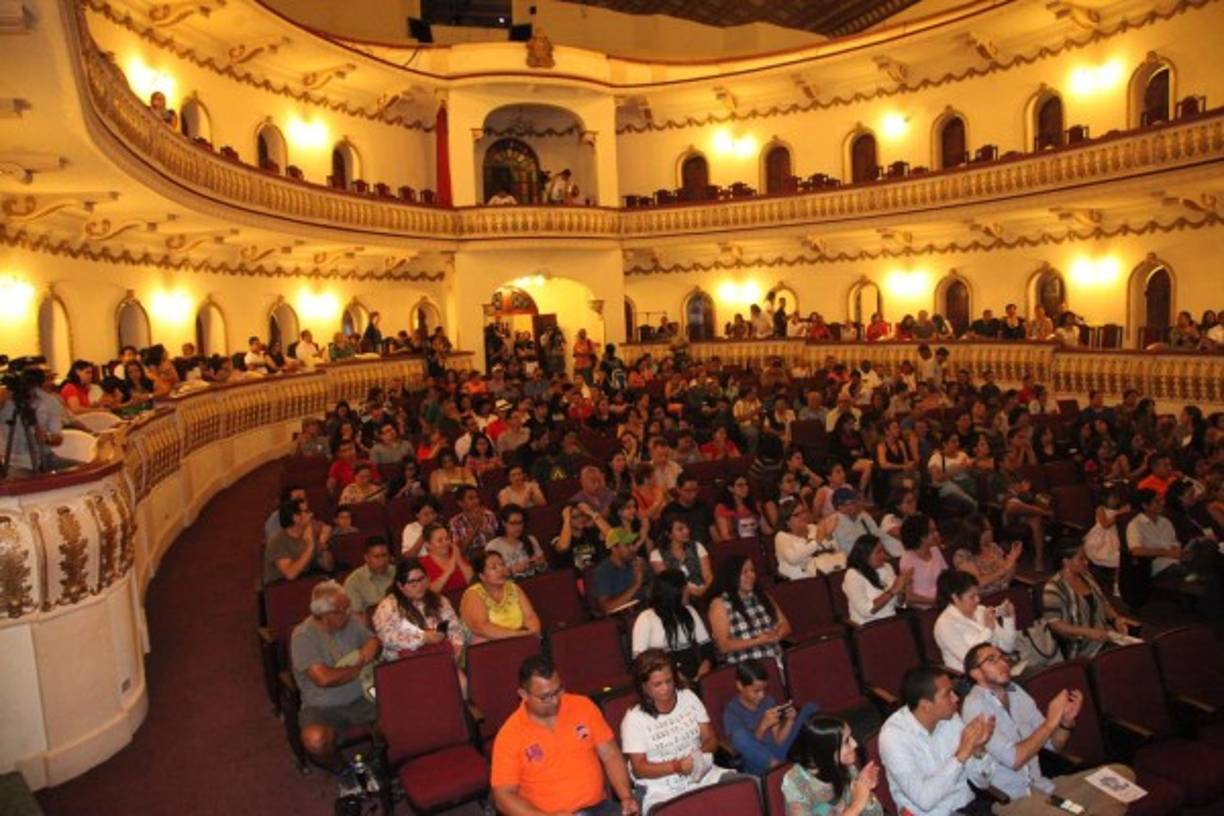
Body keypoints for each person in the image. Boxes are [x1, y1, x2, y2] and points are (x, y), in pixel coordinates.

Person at [961, 642, 1135, 815]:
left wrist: (1065, 722)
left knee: (1120, 774)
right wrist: (1051, 722)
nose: (1003, 664)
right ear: (976, 673)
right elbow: (1015, 760)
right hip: (1013, 800)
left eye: (1002, 658)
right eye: (992, 660)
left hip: (1045, 788)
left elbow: (1053, 746)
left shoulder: (1016, 692)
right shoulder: (975, 706)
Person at [491, 655, 639, 816]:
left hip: (598, 808)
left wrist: (625, 796)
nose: (555, 701)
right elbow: (503, 796)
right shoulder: (509, 735)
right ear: (523, 694)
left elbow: (610, 754)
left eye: (558, 691)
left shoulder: (583, 706)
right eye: (545, 697)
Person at [620, 650, 734, 814]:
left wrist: (696, 756)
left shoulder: (688, 697)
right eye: (657, 684)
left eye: (669, 681)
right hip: (661, 789)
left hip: (703, 775)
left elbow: (711, 739)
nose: (666, 688)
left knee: (748, 786)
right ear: (644, 687)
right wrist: (676, 767)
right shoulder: (634, 718)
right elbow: (640, 768)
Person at [878, 666, 996, 816]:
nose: (956, 698)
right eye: (947, 694)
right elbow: (925, 800)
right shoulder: (893, 738)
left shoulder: (951, 718)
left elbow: (983, 783)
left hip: (969, 806)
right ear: (926, 705)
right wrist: (960, 756)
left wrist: (978, 750)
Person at [290, 581, 380, 767]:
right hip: (325, 707)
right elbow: (324, 679)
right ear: (324, 615)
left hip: (363, 695)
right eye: (342, 610)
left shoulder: (348, 620)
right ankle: (343, 771)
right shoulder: (303, 636)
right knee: (315, 740)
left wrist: (367, 650)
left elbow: (372, 640)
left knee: (402, 712)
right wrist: (359, 666)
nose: (349, 612)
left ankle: (379, 763)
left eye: (348, 607)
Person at [1041, 542, 1137, 660]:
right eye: (1081, 558)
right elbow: (1055, 624)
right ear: (1066, 561)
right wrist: (1088, 632)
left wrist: (1116, 619)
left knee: (1137, 651)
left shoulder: (1087, 577)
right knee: (1126, 658)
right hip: (1079, 643)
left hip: (1103, 635)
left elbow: (1103, 603)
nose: (1086, 562)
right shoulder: (1054, 587)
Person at [724, 659, 820, 775]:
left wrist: (790, 720)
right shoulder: (732, 711)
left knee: (810, 708)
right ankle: (782, 770)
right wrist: (763, 725)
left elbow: (778, 740)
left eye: (764, 689)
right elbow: (740, 750)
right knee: (739, 737)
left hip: (778, 753)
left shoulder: (768, 701)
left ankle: (784, 768)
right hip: (758, 761)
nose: (762, 695)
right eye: (756, 691)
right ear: (740, 686)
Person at [782, 715, 884, 816]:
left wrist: (865, 789)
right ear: (825, 750)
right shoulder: (794, 782)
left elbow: (877, 814)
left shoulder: (844, 766)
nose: (854, 744)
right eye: (847, 741)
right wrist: (857, 804)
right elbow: (857, 805)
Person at [371, 557, 465, 664]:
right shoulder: (387, 606)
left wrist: (457, 646)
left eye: (422, 579)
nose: (419, 586)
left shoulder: (440, 601)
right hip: (405, 663)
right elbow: (387, 638)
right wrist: (422, 638)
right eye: (412, 582)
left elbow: (455, 629)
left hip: (441, 656)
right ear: (400, 586)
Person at [631, 568, 715, 682]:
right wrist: (675, 678)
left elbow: (707, 647)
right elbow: (641, 661)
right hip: (663, 679)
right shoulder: (646, 618)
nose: (688, 591)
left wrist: (704, 669)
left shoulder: (689, 611)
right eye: (685, 588)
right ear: (674, 592)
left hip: (695, 675)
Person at [707, 555, 791, 668]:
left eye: (752, 570)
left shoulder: (763, 596)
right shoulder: (720, 603)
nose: (751, 575)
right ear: (732, 576)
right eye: (744, 572)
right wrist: (758, 641)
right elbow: (724, 645)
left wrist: (776, 635)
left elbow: (785, 625)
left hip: (775, 659)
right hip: (746, 667)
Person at [933, 570, 1017, 674]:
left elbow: (1008, 647)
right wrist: (988, 629)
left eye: (978, 594)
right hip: (970, 679)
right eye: (972, 597)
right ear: (955, 598)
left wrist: (1008, 618)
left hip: (996, 670)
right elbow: (971, 661)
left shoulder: (981, 610)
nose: (978, 600)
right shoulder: (944, 624)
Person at [459, 550, 541, 643]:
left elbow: (530, 617)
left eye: (502, 565)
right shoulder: (473, 594)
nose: (500, 570)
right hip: (489, 647)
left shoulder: (513, 587)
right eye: (494, 567)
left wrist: (533, 633)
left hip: (521, 640)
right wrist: (519, 635)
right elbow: (482, 627)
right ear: (482, 576)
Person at [263, 498, 335, 584]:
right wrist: (310, 546)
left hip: (304, 580)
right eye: (306, 511)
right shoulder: (277, 542)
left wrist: (322, 543)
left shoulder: (308, 535)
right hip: (281, 587)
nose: (311, 514)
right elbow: (291, 574)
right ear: (296, 518)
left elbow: (329, 567)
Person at [843, 534, 910, 625]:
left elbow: (899, 603)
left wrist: (902, 588)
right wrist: (893, 590)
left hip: (891, 621)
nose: (883, 555)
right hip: (869, 627)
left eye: (883, 551)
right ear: (865, 555)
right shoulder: (853, 575)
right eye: (878, 552)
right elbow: (866, 611)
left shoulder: (887, 567)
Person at [775, 502, 843, 579]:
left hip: (824, 573)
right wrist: (817, 541)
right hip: (799, 582)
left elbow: (835, 549)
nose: (803, 516)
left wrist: (828, 535)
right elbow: (793, 559)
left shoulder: (813, 528)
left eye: (803, 512)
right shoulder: (781, 537)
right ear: (787, 521)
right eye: (797, 515)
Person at [589, 529, 650, 615]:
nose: (632, 548)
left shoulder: (636, 563)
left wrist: (646, 573)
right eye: (627, 545)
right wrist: (636, 583)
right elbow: (607, 607)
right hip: (623, 618)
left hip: (644, 611)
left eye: (632, 544)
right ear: (614, 549)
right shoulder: (603, 572)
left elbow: (652, 592)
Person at [649, 517, 713, 599]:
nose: (686, 531)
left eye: (686, 527)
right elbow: (669, 584)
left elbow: (708, 575)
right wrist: (692, 592)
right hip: (677, 597)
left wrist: (704, 590)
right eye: (680, 529)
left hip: (703, 590)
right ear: (669, 534)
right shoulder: (656, 555)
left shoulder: (697, 546)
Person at [829, 488, 902, 557]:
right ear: (840, 507)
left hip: (874, 558)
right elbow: (834, 550)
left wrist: (899, 553)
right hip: (851, 562)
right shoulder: (833, 523)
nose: (858, 504)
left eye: (856, 501)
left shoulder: (864, 517)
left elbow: (880, 536)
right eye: (852, 503)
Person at [898, 514, 948, 609]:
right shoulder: (907, 559)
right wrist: (936, 601)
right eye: (932, 531)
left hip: (939, 604)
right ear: (921, 536)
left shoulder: (935, 551)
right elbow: (909, 597)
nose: (936, 534)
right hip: (922, 610)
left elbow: (945, 579)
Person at [341, 536, 394, 624]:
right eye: (376, 557)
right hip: (370, 628)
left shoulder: (397, 572)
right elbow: (355, 617)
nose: (381, 561)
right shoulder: (354, 582)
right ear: (366, 558)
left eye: (384, 555)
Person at [485, 504, 549, 576]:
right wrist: (512, 569)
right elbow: (491, 575)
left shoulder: (530, 540)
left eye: (521, 522)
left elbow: (544, 563)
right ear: (504, 523)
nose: (518, 527)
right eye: (513, 523)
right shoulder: (493, 546)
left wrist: (538, 562)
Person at [419, 522, 474, 594]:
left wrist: (459, 560)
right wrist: (449, 571)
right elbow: (427, 593)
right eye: (440, 540)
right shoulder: (422, 563)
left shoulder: (456, 556)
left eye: (447, 539)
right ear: (428, 545)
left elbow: (473, 583)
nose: (445, 543)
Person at [448, 485, 500, 560]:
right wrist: (476, 527)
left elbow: (496, 543)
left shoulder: (489, 515)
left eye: (477, 497)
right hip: (468, 559)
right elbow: (460, 551)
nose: (476, 501)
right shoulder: (455, 522)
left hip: (490, 556)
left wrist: (484, 529)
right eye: (471, 498)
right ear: (460, 503)